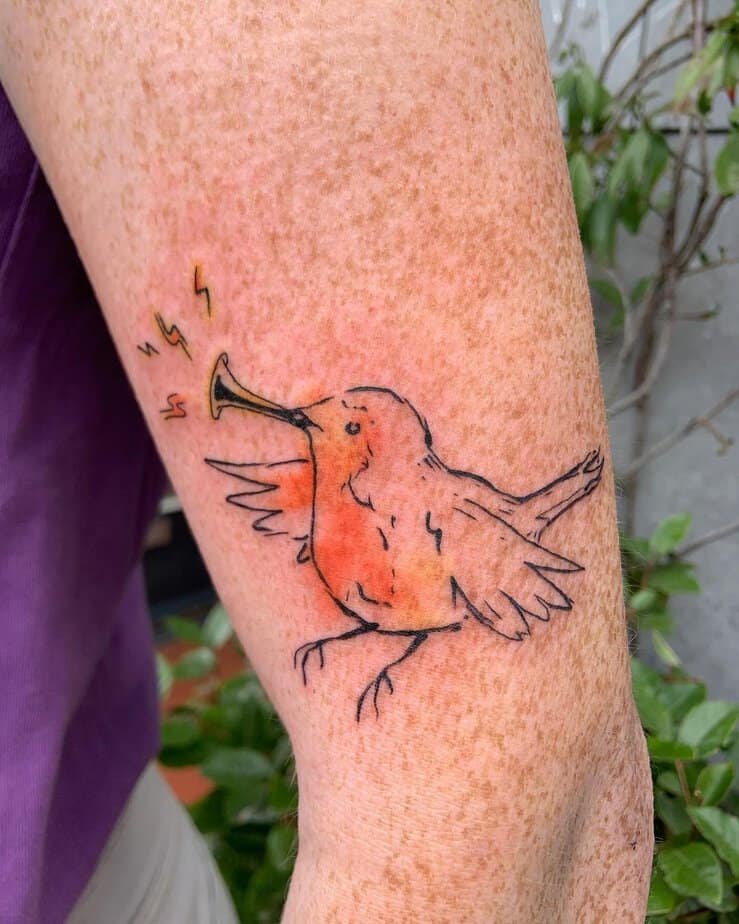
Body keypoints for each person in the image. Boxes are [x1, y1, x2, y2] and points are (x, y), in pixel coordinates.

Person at [0, 2, 653, 922]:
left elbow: (497, 807)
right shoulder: (332, 497)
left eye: (338, 426)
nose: (311, 429)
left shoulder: (422, 516)